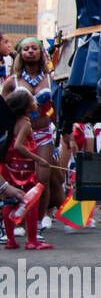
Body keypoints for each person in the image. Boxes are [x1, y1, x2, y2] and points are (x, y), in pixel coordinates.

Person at [2, 38, 63, 234]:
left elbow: (57, 108)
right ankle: (18, 221)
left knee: (42, 177)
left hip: (44, 132)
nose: (30, 52)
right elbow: (3, 109)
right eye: (26, 49)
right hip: (19, 134)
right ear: (20, 54)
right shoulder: (13, 81)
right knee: (18, 178)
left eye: (34, 48)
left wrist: (66, 132)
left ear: (40, 52)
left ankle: (39, 218)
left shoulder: (51, 79)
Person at [2, 91, 52, 250]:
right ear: (26, 106)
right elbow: (18, 146)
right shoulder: (25, 124)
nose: (36, 102)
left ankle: (11, 240)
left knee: (11, 202)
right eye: (32, 100)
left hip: (10, 166)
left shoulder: (13, 121)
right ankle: (32, 240)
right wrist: (39, 159)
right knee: (31, 202)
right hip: (22, 168)